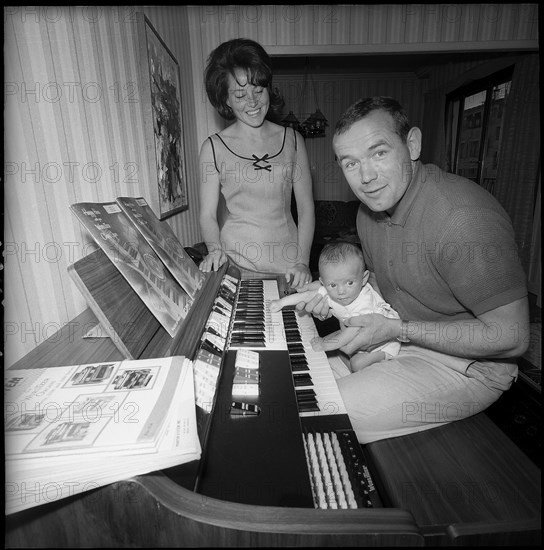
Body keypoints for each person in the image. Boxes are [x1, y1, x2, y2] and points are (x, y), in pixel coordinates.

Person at [298, 96, 529, 444]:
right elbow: (377, 280)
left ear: (412, 144)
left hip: (468, 367)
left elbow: (511, 338)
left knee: (318, 418)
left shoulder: (462, 219)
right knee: (295, 388)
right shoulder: (367, 213)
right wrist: (323, 290)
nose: (366, 177)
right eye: (350, 163)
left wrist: (398, 330)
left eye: (379, 153)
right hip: (396, 340)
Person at [198, 38, 314, 288]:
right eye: (240, 95)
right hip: (236, 268)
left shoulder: (293, 141)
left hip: (289, 268)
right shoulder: (213, 148)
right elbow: (207, 214)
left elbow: (305, 209)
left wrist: (303, 262)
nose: (252, 102)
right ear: (225, 100)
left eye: (258, 91)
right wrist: (214, 249)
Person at [270, 241, 401, 370]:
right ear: (323, 282)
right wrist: (281, 303)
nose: (341, 291)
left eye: (350, 283)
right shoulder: (330, 290)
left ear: (364, 278)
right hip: (354, 334)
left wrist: (326, 345)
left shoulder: (364, 302)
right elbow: (306, 295)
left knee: (356, 364)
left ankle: (384, 357)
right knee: (313, 350)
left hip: (385, 342)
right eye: (333, 285)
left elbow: (350, 333)